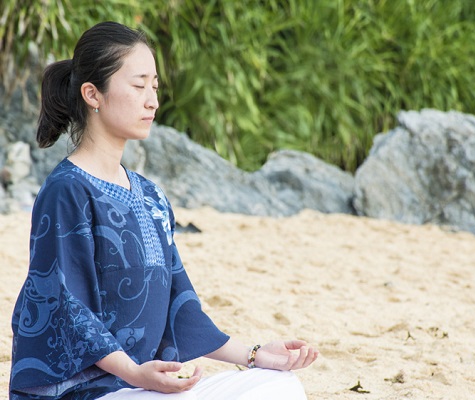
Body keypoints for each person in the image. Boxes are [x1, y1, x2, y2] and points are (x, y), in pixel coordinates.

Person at [9, 21, 318, 400]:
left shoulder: (151, 195)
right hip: (90, 392)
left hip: (143, 388)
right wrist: (135, 373)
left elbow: (178, 305)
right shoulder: (66, 191)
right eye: (138, 86)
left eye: (154, 87)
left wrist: (255, 355)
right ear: (93, 94)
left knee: (280, 385)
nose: (152, 100)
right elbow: (64, 307)